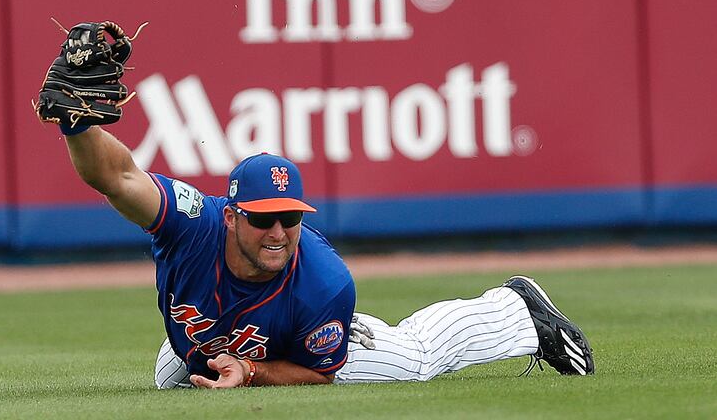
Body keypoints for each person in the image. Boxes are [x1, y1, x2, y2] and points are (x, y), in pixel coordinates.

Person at [59, 125, 594, 389]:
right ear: (230, 215)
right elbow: (116, 175)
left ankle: (514, 311)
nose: (278, 231)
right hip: (213, 331)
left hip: (296, 333)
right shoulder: (190, 223)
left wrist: (250, 370)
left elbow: (316, 376)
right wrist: (75, 125)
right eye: (263, 217)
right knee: (169, 380)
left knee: (414, 359)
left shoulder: (324, 282)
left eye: (289, 217)